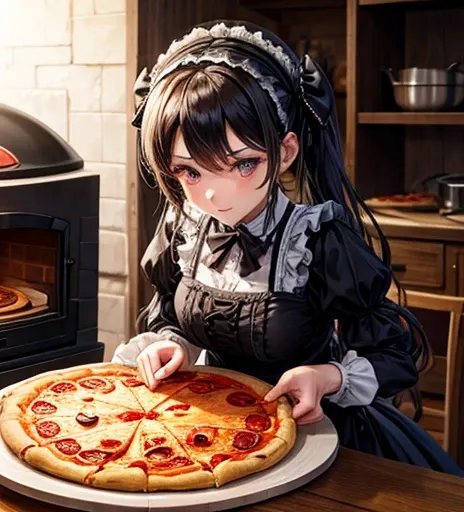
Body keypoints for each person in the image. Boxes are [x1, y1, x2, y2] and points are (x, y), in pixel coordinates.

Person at [113, 20, 463, 475]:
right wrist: (168, 343)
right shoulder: (184, 230)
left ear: (286, 151)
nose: (215, 196)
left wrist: (326, 376)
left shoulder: (317, 238)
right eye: (189, 172)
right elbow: (168, 314)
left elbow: (396, 355)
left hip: (318, 434)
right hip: (212, 434)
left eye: (241, 164)